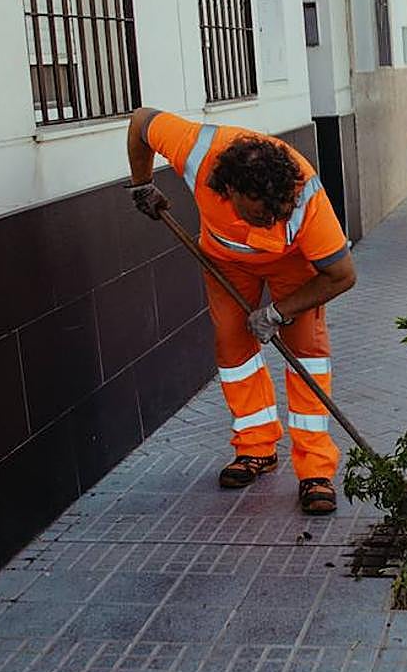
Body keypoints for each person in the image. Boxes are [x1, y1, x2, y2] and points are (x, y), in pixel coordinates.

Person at [125, 107, 356, 514]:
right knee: (233, 350)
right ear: (228, 189)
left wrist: (278, 313)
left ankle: (315, 469)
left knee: (307, 351)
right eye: (259, 213)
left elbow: (341, 275)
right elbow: (141, 122)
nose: (269, 222)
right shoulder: (197, 149)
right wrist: (141, 184)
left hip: (294, 266)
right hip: (225, 260)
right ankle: (256, 447)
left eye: (276, 214)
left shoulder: (306, 197)